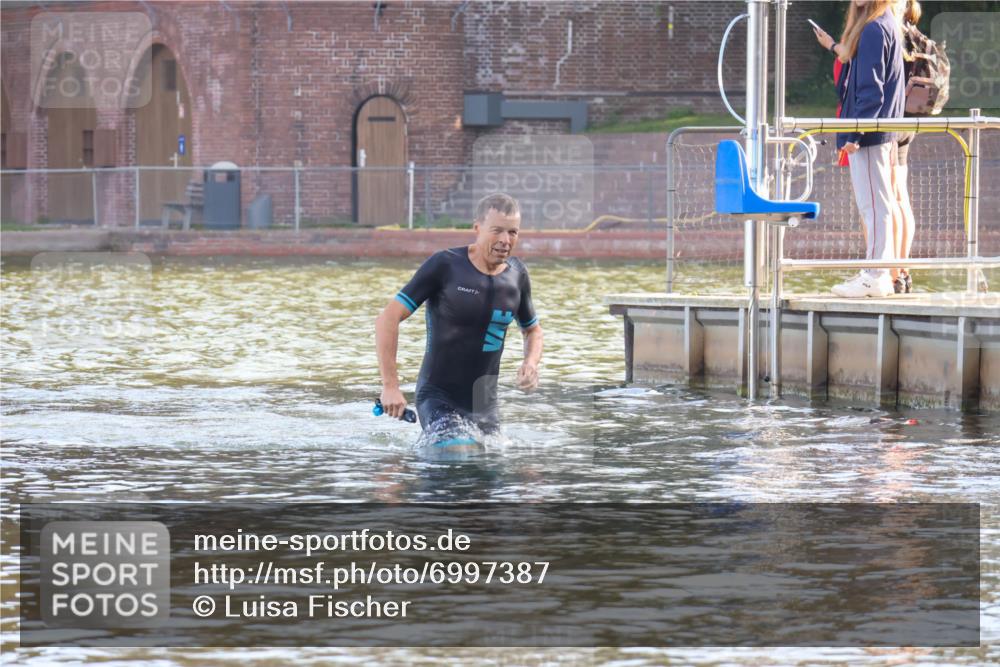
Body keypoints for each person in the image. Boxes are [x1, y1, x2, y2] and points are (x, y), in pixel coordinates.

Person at [374, 193, 543, 437]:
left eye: (512, 232)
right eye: (497, 231)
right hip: (437, 396)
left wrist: (530, 363)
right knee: (458, 449)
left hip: (485, 406)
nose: (505, 240)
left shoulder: (517, 276)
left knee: (490, 459)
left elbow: (532, 330)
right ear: (477, 228)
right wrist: (390, 386)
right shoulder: (446, 265)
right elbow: (387, 319)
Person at [812, 0, 905, 298]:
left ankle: (875, 274)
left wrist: (856, 132)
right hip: (877, 131)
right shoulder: (884, 23)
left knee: (874, 205)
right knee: (878, 204)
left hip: (870, 134)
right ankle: (877, 272)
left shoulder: (875, 28)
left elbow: (871, 89)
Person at [889, 0, 923, 294]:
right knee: (902, 198)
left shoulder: (890, 32)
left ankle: (893, 273)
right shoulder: (916, 37)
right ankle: (904, 269)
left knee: (889, 199)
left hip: (890, 122)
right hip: (909, 122)